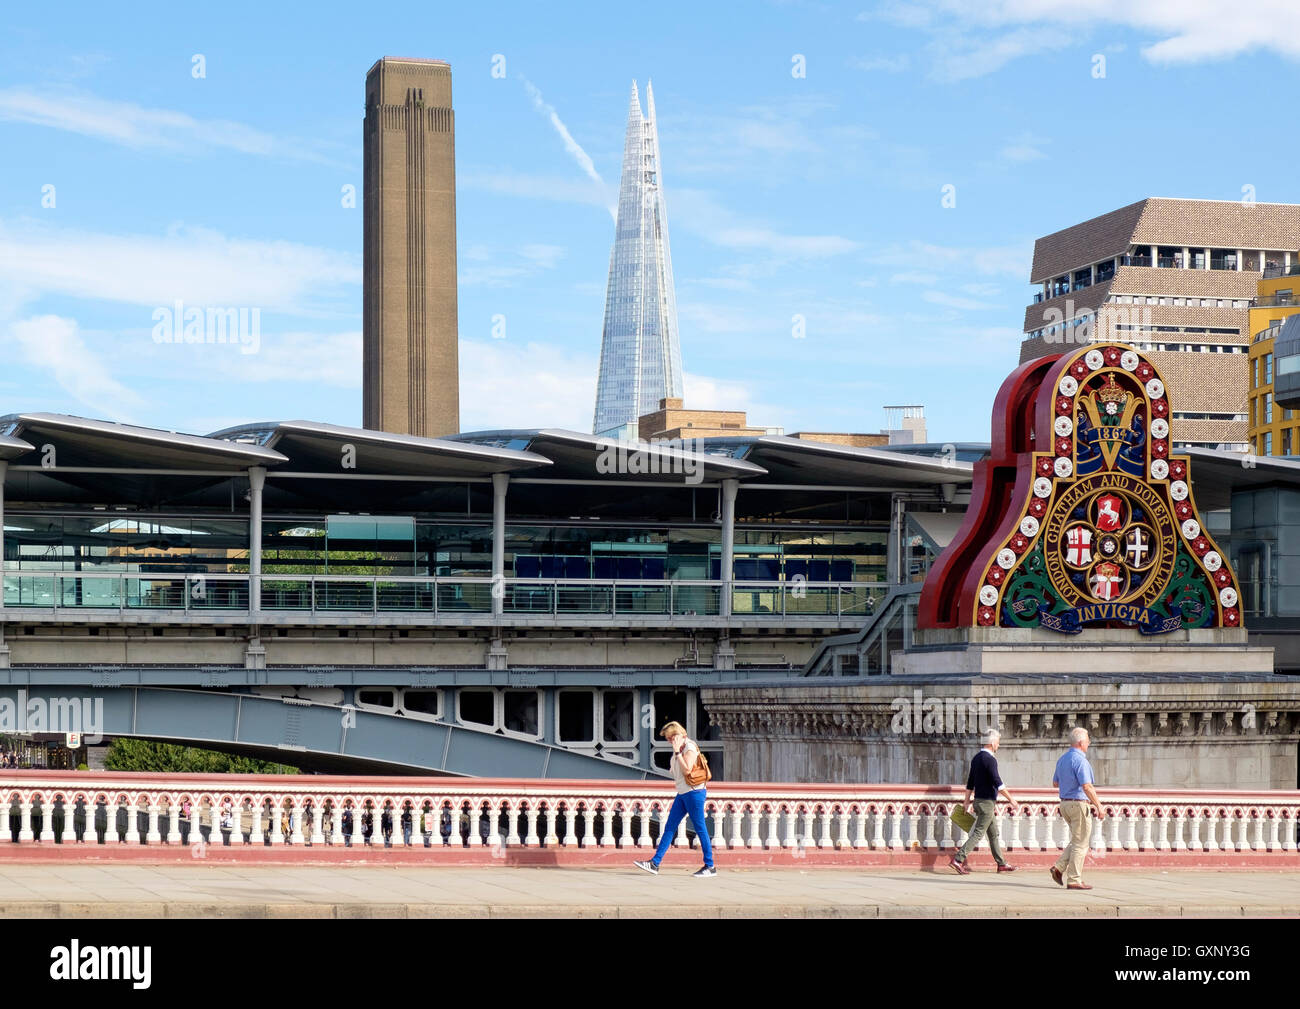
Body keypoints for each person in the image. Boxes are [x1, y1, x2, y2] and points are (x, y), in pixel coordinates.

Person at [634, 721, 716, 877]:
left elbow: (687, 770)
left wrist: (677, 753)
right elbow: (676, 772)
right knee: (670, 827)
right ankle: (655, 863)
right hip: (683, 793)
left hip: (694, 793)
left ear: (676, 736)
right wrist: (676, 754)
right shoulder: (680, 748)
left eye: (669, 738)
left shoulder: (689, 747)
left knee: (700, 828)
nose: (668, 741)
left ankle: (710, 866)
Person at [949, 729, 1019, 875]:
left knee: (993, 834)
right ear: (992, 743)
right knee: (978, 833)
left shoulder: (976, 758)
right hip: (987, 803)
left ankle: (1001, 864)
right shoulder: (990, 760)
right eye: (998, 743)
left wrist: (966, 802)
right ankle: (958, 859)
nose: (998, 746)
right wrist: (1011, 799)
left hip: (978, 801)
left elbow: (970, 783)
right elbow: (997, 782)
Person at [1051, 726, 1106, 890]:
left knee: (1077, 839)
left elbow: (1055, 783)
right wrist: (1099, 806)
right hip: (1078, 803)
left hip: (1065, 804)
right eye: (1088, 740)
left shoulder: (1062, 759)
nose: (1089, 743)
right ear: (1081, 742)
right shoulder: (1081, 760)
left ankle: (1059, 868)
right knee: (1081, 843)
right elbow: (1087, 786)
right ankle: (1074, 879)